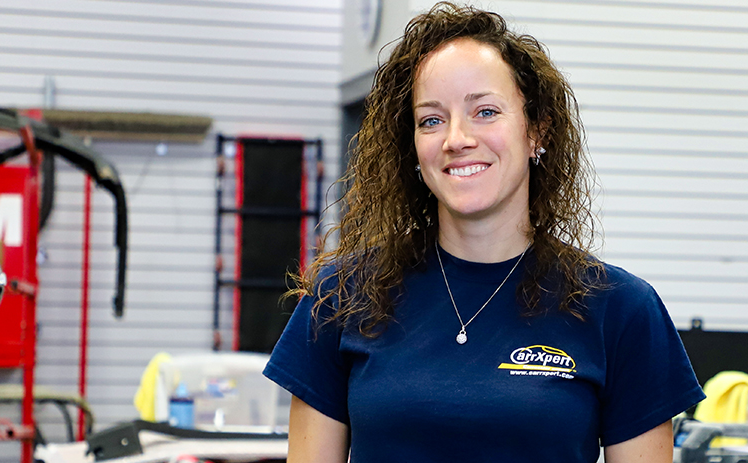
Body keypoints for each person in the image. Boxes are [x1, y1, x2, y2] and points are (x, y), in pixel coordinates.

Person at [263, 2, 705, 462]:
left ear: (536, 131)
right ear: (413, 149)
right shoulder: (345, 295)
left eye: (486, 112)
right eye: (431, 120)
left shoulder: (621, 309)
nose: (457, 138)